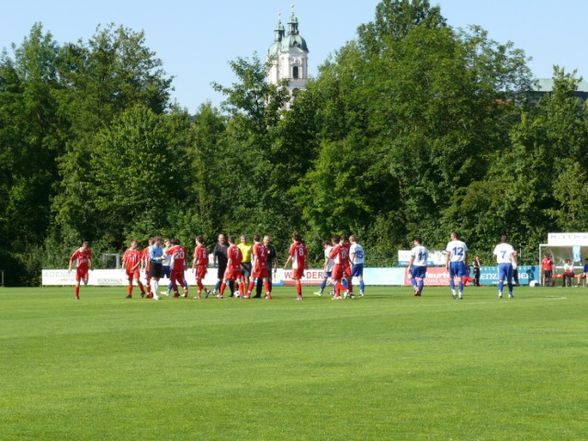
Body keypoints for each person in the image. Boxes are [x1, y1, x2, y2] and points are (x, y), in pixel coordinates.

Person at [247, 234, 272, 300]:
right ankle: (268, 295)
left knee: (252, 278)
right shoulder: (263, 246)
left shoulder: (255, 246)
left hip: (258, 264)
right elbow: (266, 256)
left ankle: (248, 294)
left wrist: (254, 266)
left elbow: (256, 256)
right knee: (265, 279)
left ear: (253, 240)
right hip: (264, 265)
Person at [284, 232, 307, 301]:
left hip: (296, 265)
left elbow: (290, 256)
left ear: (293, 238)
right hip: (301, 265)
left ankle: (299, 296)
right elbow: (306, 255)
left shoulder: (293, 245)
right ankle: (299, 295)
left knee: (297, 280)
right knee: (298, 279)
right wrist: (306, 264)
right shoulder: (302, 245)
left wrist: (286, 264)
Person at [492, 235, 517, 299]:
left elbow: (494, 256)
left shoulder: (498, 246)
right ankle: (510, 294)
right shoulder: (509, 246)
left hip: (501, 264)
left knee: (500, 280)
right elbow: (513, 254)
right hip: (508, 264)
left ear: (501, 240)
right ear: (507, 240)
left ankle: (500, 293)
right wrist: (514, 262)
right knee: (509, 281)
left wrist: (496, 262)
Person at [445, 231, 468, 300]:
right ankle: (460, 294)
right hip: (461, 263)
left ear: (454, 236)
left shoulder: (450, 243)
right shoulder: (463, 243)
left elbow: (448, 254)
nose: (450, 237)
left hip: (453, 263)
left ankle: (454, 292)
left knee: (451, 278)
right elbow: (466, 254)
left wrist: (446, 264)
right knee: (460, 279)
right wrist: (466, 263)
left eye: (451, 236)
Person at [329, 236, 345, 300]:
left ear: (333, 242)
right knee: (338, 280)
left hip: (337, 264)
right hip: (341, 264)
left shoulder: (336, 247)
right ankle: (338, 295)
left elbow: (330, 256)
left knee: (332, 280)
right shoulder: (341, 247)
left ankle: (345, 290)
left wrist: (330, 252)